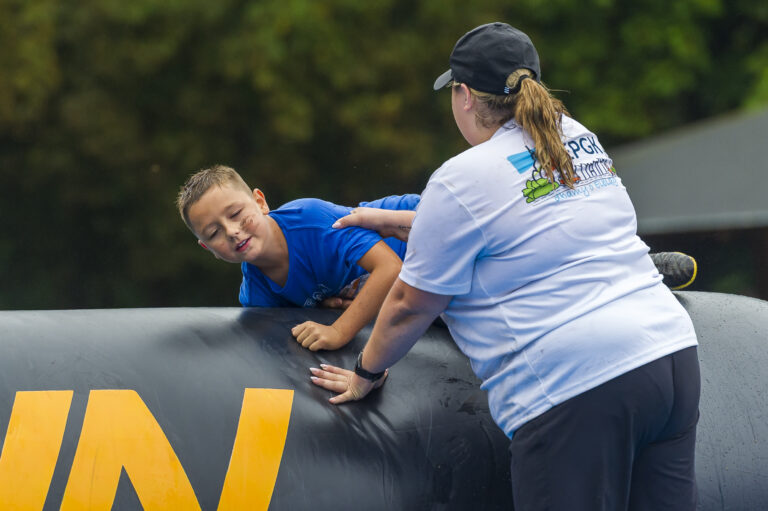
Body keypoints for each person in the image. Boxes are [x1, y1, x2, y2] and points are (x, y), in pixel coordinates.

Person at [310, 22, 701, 510]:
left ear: (465, 95)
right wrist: (401, 221)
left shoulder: (460, 177)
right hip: (672, 358)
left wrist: (366, 373)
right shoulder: (575, 136)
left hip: (579, 382)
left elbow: (411, 304)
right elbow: (521, 221)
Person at [176, 164, 420, 351]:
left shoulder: (309, 219)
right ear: (208, 248)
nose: (231, 232)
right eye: (214, 233)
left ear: (260, 202)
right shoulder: (257, 295)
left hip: (417, 228)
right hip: (408, 290)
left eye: (236, 214)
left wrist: (338, 330)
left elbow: (390, 268)